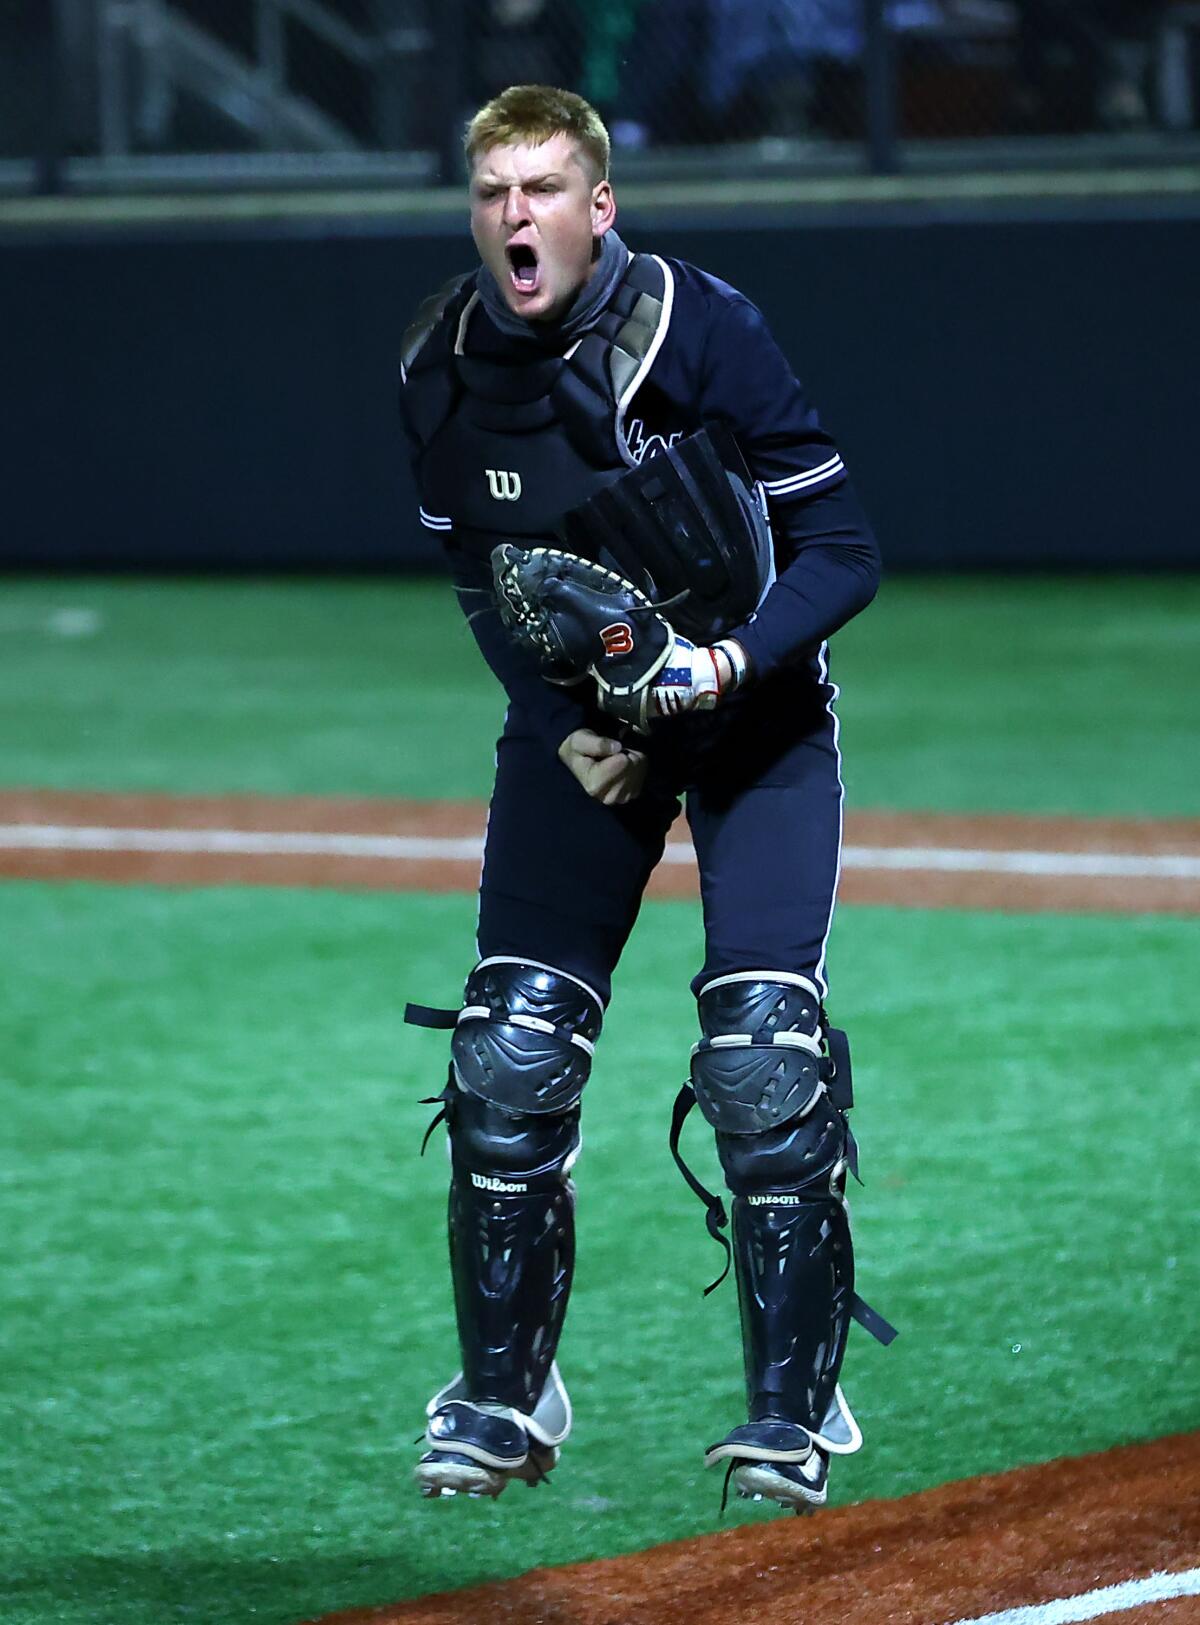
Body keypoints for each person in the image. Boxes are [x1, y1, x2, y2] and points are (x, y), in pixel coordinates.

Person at [399, 83, 892, 1515]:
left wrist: (727, 662)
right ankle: (504, 1398)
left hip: (755, 720)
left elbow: (845, 549)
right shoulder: (439, 367)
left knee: (761, 1059)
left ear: (599, 206)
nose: (516, 218)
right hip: (591, 737)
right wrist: (566, 727)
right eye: (494, 193)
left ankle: (794, 1411)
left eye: (544, 190)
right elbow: (482, 583)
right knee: (508, 1053)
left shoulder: (701, 328)